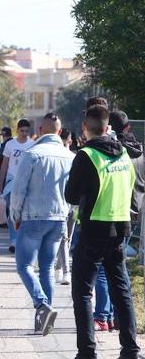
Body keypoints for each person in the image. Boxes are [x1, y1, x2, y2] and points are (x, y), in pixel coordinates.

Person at [65, 105, 140, 359]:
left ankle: (87, 352)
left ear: (85, 129)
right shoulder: (123, 154)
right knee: (122, 290)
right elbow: (130, 189)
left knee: (83, 292)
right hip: (120, 228)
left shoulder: (86, 155)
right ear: (107, 128)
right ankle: (130, 349)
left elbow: (71, 195)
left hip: (94, 228)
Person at [10, 113, 74, 336]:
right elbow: (74, 193)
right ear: (59, 130)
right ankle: (46, 319)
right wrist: (68, 213)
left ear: (40, 129)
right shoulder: (70, 156)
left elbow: (18, 189)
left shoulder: (32, 154)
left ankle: (41, 305)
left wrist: (15, 215)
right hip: (59, 219)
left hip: (33, 217)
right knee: (47, 268)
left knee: (24, 266)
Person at [92, 111, 145, 332]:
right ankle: (115, 317)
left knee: (105, 269)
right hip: (134, 210)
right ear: (127, 127)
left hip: (114, 209)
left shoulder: (115, 151)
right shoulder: (139, 150)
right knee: (118, 267)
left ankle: (103, 315)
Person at [0, 118, 35, 253]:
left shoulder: (32, 144)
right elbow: (4, 164)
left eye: (27, 131)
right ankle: (13, 239)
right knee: (12, 211)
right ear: (17, 130)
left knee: (25, 212)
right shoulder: (10, 144)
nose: (24, 133)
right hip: (11, 180)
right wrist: (1, 183)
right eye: (22, 131)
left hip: (26, 181)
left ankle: (22, 238)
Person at [55, 128, 76, 286]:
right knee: (64, 237)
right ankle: (65, 271)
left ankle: (58, 267)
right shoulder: (58, 156)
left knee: (67, 237)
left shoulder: (74, 157)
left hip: (72, 204)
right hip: (62, 202)